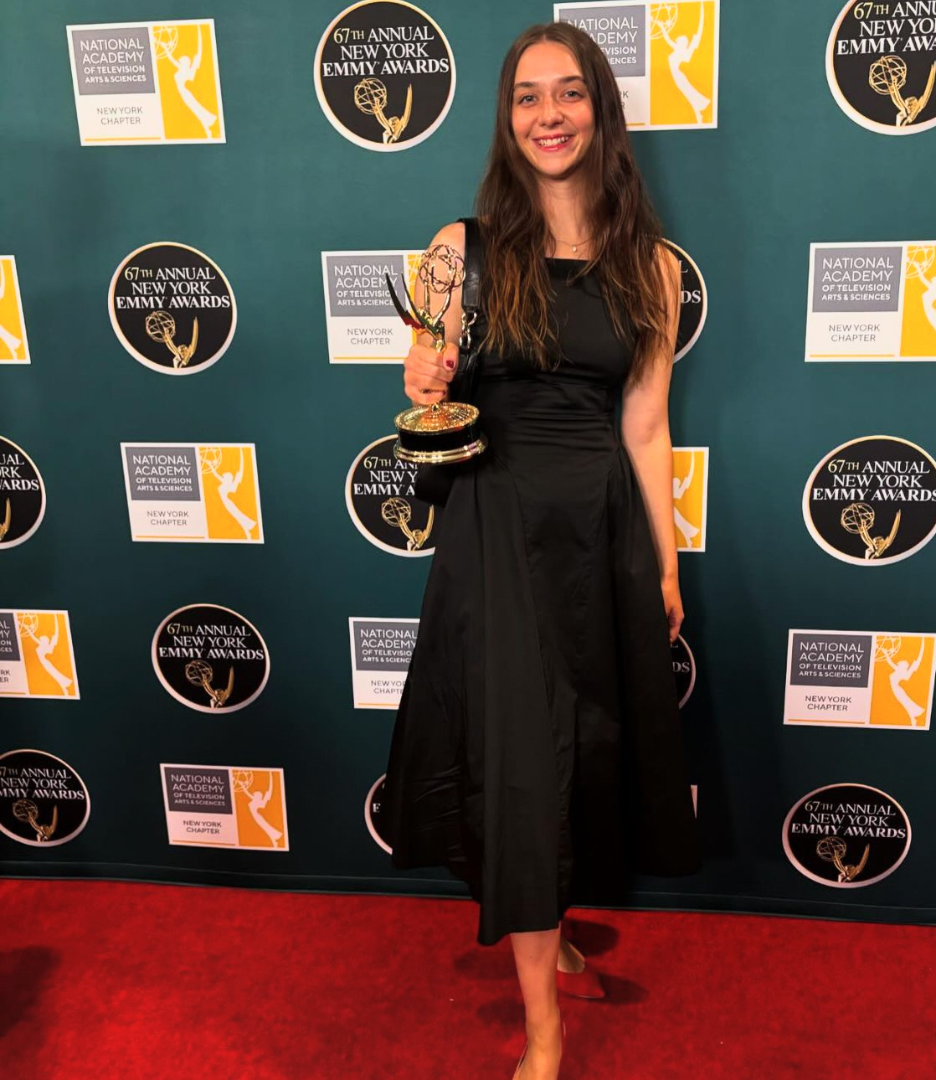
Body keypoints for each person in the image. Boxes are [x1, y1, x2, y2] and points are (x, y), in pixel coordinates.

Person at [383, 21, 702, 1080]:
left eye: (570, 93)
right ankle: (545, 1034)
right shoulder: (460, 249)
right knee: (521, 760)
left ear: (601, 112)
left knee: (582, 747)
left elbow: (646, 426)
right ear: (507, 119)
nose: (549, 114)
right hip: (497, 531)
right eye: (528, 97)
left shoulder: (650, 265)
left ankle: (550, 920)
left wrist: (663, 562)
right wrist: (422, 378)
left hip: (599, 535)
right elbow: (421, 385)